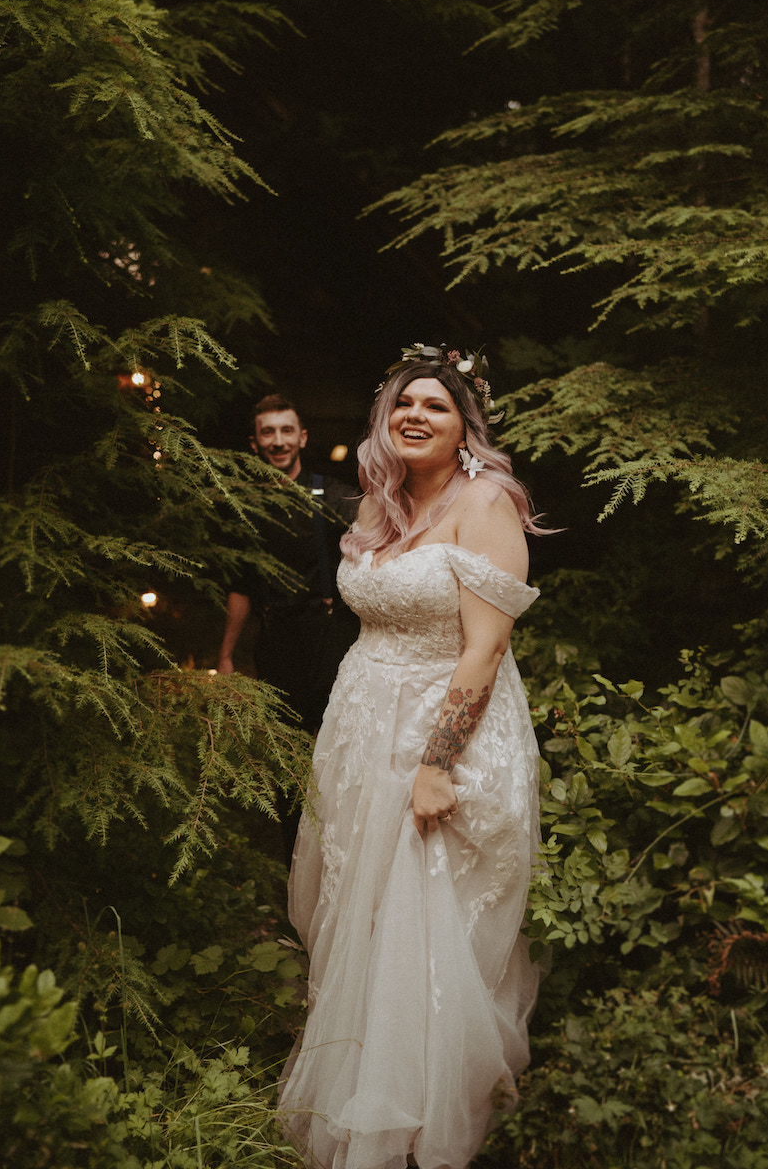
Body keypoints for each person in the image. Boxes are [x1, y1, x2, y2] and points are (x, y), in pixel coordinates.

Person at [278, 344, 547, 1169]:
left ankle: (419, 1125)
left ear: (465, 424)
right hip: (362, 724)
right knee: (352, 906)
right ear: (382, 423)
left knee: (420, 920)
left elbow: (486, 647)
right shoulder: (376, 506)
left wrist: (437, 764)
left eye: (433, 405)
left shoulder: (486, 502)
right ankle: (355, 1081)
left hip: (443, 730)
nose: (414, 417)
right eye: (402, 405)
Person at [217, 394, 360, 855]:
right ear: (255, 443)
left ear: (301, 437)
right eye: (267, 433)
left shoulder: (335, 495)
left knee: (337, 751)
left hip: (330, 634)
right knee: (287, 759)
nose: (278, 441)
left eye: (285, 431)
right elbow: (239, 586)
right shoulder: (242, 506)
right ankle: (296, 861)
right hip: (276, 640)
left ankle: (344, 854)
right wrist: (225, 655)